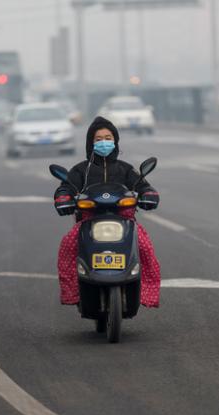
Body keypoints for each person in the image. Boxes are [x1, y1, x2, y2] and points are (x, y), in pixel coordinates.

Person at [54, 116, 161, 308]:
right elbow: (66, 187)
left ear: (115, 140)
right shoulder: (80, 170)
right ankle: (73, 294)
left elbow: (144, 186)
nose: (104, 142)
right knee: (68, 246)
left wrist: (149, 194)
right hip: (88, 221)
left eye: (108, 138)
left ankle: (146, 294)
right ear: (91, 143)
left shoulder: (126, 169)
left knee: (145, 249)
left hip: (124, 221)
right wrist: (63, 197)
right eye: (98, 139)